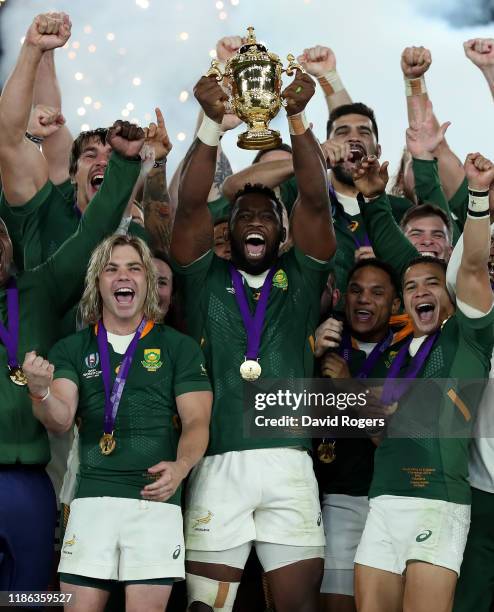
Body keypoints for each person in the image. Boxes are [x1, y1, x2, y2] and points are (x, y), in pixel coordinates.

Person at [171, 62, 335, 612]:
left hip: (290, 462)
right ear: (230, 229)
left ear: (283, 232)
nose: (255, 223)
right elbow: (191, 206)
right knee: (206, 608)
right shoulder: (203, 279)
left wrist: (298, 117)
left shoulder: (304, 278)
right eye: (244, 216)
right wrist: (212, 126)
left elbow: (315, 199)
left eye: (267, 216)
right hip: (220, 463)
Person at [0, 92, 145, 593]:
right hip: (43, 440)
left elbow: (98, 230)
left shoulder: (41, 284)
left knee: (38, 586)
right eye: (91, 156)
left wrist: (132, 165)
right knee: (37, 569)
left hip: (52, 456)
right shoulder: (39, 262)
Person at [24, 234, 212, 612]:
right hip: (91, 500)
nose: (122, 276)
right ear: (98, 283)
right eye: (111, 269)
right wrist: (41, 393)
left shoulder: (179, 347)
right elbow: (60, 419)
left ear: (146, 282)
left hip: (155, 502)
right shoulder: (73, 349)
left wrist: (181, 466)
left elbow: (197, 422)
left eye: (133, 268)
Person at [352, 153, 494, 612]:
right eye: (410, 287)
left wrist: (476, 197)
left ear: (451, 297)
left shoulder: (469, 337)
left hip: (439, 501)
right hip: (384, 502)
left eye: (431, 284)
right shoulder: (392, 354)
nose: (419, 292)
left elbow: (472, 266)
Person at [0, 13, 171, 271]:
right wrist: (39, 50)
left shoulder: (140, 236)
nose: (103, 162)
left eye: (113, 156)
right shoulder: (49, 215)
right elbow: (30, 126)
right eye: (90, 155)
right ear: (71, 176)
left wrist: (155, 164)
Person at [314, 259, 403, 612]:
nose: (364, 299)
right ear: (342, 297)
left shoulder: (411, 354)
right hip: (337, 499)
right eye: (356, 290)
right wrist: (310, 351)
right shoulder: (324, 348)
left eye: (377, 292)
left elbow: (394, 441)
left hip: (397, 501)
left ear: (396, 304)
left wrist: (349, 387)